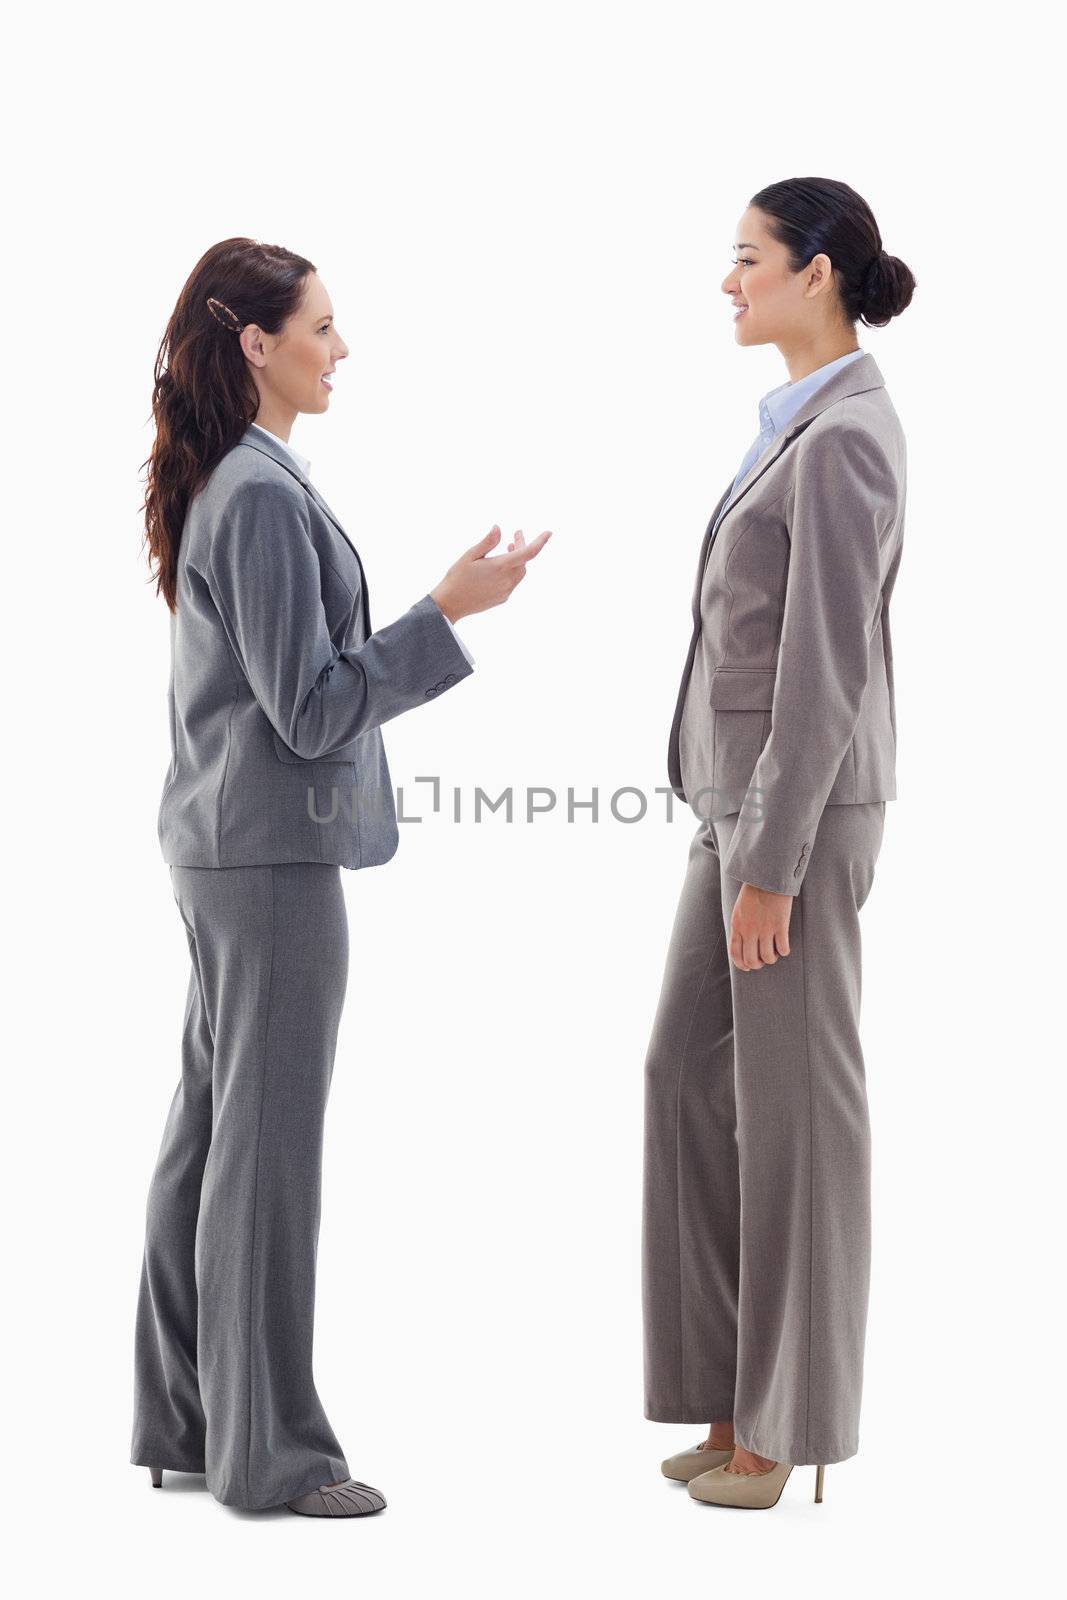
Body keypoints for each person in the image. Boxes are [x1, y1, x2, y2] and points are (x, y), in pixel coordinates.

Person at [131, 236, 551, 1517]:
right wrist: (443, 613)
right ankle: (271, 1455)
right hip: (267, 857)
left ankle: (193, 1423)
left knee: (214, 1131)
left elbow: (287, 688)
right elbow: (310, 712)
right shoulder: (254, 495)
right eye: (321, 326)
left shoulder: (243, 477)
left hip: (229, 845)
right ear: (256, 344)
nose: (340, 347)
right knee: (263, 1149)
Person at [642, 178, 915, 1510]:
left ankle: (787, 1428)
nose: (726, 281)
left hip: (791, 817)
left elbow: (824, 671)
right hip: (736, 807)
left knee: (797, 1112)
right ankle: (728, 1393)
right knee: (678, 1077)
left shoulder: (850, 432)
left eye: (744, 258)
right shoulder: (791, 424)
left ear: (814, 272)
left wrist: (771, 864)